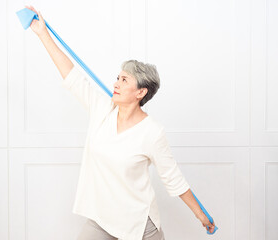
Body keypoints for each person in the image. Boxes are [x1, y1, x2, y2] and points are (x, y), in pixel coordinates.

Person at [25, 5, 216, 240]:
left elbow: (173, 179)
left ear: (140, 92)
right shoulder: (102, 109)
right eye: (118, 78)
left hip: (138, 225)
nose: (116, 83)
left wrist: (201, 215)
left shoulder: (152, 132)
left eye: (124, 80)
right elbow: (71, 75)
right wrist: (43, 33)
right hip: (102, 219)